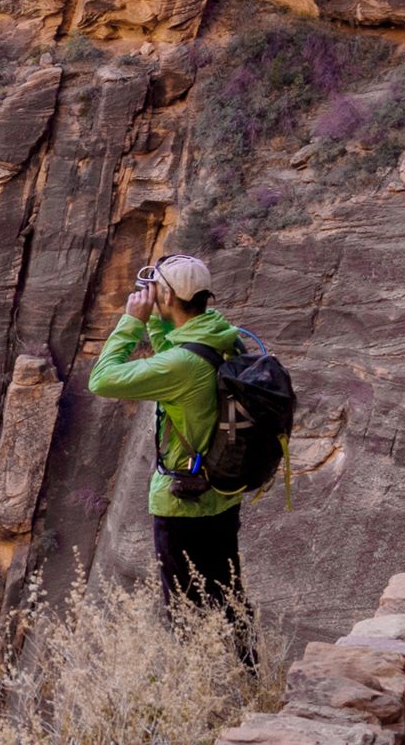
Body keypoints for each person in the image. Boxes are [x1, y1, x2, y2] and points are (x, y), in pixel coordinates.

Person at [86, 253, 250, 628]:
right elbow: (176, 352)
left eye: (156, 289)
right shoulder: (221, 338)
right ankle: (248, 673)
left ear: (168, 297)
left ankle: (204, 681)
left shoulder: (181, 366)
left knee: (186, 615)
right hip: (221, 495)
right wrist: (158, 323)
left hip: (183, 506)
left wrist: (132, 322)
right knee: (230, 602)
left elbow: (102, 379)